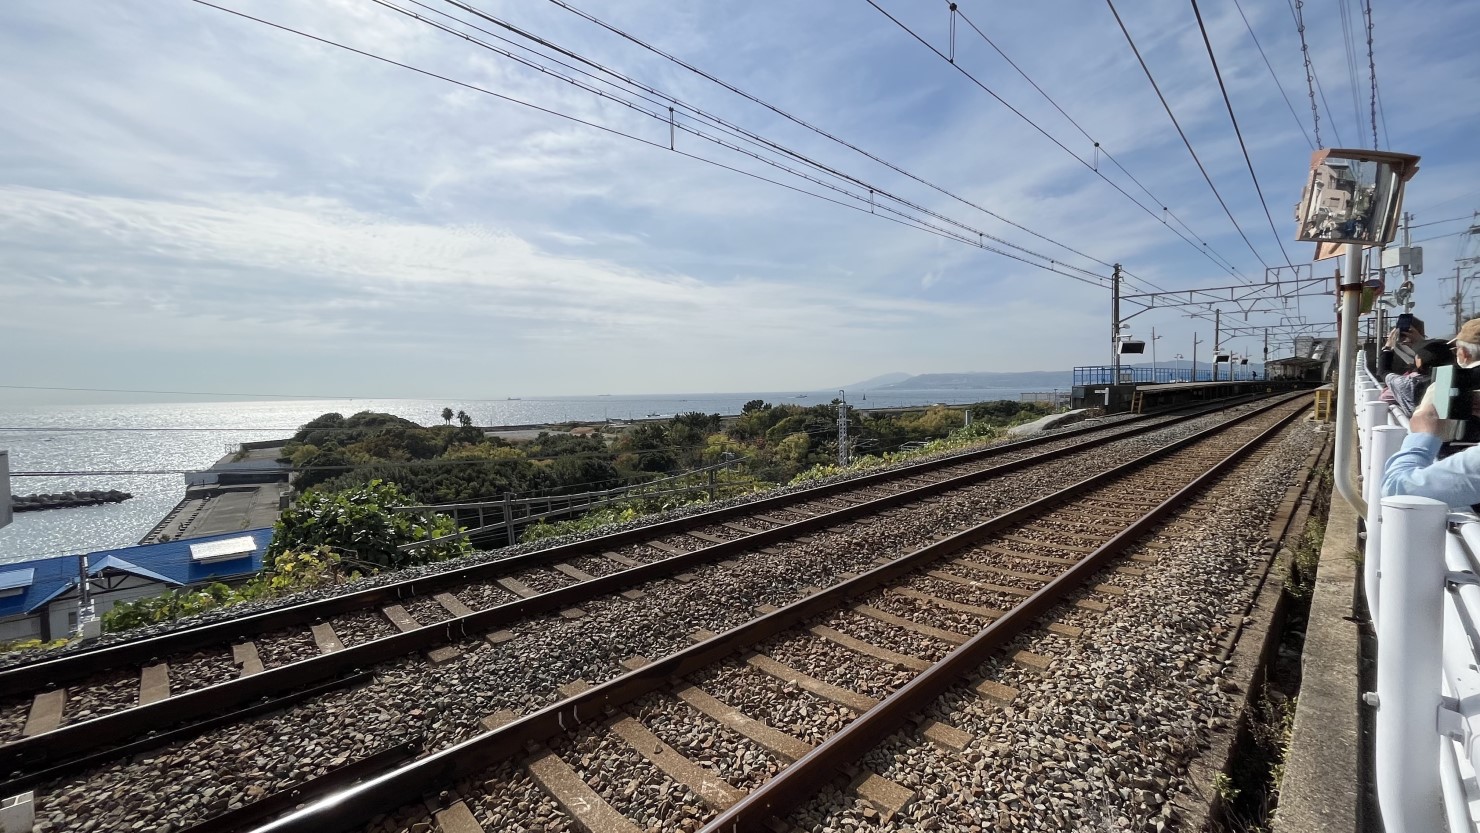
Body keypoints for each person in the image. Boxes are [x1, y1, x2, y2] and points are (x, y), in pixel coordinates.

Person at [1382, 319, 1480, 505]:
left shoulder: (1442, 384)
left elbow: (1397, 488)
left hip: (1443, 470)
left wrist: (1422, 434)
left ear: (1464, 354)